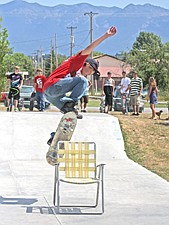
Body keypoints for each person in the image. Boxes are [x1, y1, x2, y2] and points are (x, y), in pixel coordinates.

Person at [44, 26, 117, 119]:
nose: (89, 73)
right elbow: (90, 47)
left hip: (49, 94)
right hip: (53, 85)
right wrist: (106, 35)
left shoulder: (75, 74)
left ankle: (66, 120)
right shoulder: (78, 61)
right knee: (83, 81)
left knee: (69, 111)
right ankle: (70, 103)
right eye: (91, 70)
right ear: (86, 64)